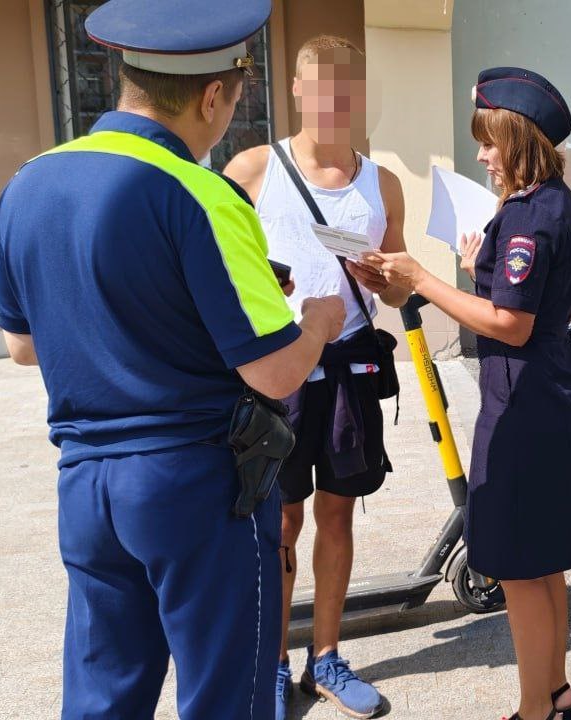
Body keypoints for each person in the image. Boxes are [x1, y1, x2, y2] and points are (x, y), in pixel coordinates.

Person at [0, 1, 347, 717]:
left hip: (87, 484)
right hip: (196, 484)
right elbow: (274, 371)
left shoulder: (28, 180)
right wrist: (317, 321)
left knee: (103, 697)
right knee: (225, 698)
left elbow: (23, 346)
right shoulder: (202, 194)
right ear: (213, 94)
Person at [362, 67, 571, 720]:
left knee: (519, 571)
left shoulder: (526, 215)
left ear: (516, 137)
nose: (480, 155)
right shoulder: (560, 203)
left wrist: (420, 279)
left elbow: (510, 322)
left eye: (488, 141)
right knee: (542, 565)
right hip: (553, 396)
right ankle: (555, 697)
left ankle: (534, 712)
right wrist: (482, 271)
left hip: (522, 411)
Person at [224, 34, 404, 720]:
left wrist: (382, 280)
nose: (333, 103)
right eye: (319, 89)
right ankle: (270, 661)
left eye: (345, 91)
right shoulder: (251, 169)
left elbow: (394, 292)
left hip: (352, 368)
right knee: (280, 519)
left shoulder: (381, 183)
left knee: (337, 514)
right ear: (297, 90)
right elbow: (218, 268)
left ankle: (324, 658)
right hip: (281, 373)